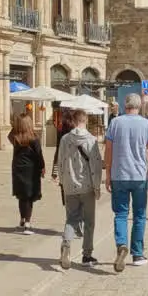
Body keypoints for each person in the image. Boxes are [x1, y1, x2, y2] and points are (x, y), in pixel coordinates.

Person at [104, 92, 148, 272]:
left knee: (120, 214)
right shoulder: (147, 124)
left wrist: (108, 174)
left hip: (119, 175)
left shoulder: (115, 123)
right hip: (140, 177)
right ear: (139, 106)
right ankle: (137, 253)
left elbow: (108, 150)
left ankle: (121, 245)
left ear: (124, 104)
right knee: (139, 215)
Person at [55, 109, 102, 269]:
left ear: (74, 122)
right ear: (85, 121)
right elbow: (95, 166)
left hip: (70, 186)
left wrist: (62, 181)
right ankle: (87, 255)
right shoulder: (91, 140)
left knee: (71, 219)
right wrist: (97, 187)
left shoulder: (65, 139)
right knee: (89, 222)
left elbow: (60, 161)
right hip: (87, 186)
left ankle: (66, 245)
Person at [8, 113, 44, 235]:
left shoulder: (15, 137)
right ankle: (27, 223)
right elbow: (39, 155)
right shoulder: (34, 138)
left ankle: (22, 220)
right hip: (31, 170)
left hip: (18, 168)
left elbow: (10, 134)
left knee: (21, 196)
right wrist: (42, 167)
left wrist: (18, 125)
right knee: (29, 197)